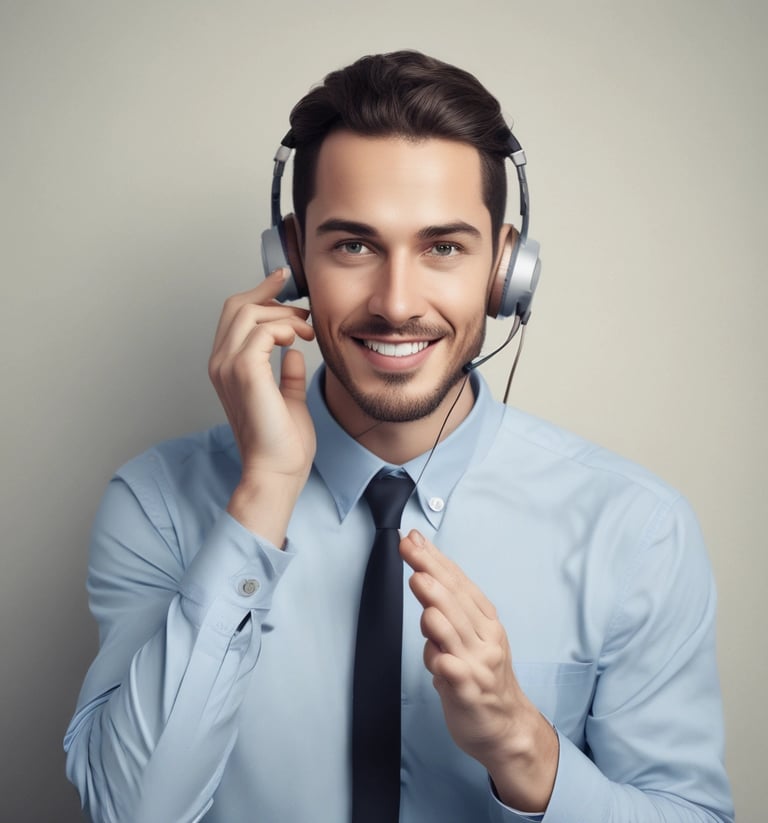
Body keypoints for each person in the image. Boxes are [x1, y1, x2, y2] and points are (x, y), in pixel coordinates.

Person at [64, 51, 733, 822]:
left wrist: (523, 744)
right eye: (354, 245)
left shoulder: (636, 528)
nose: (396, 302)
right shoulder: (158, 503)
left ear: (505, 271)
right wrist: (262, 497)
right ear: (291, 259)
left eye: (443, 247)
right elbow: (130, 810)